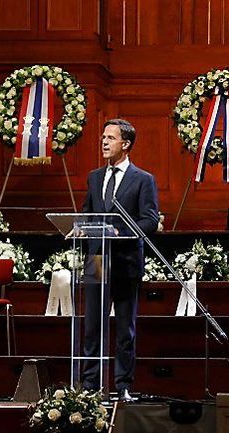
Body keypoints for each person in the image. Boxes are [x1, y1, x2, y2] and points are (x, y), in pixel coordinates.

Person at [80, 118, 160, 400]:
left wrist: (119, 232)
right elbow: (87, 214)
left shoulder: (143, 180)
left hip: (126, 260)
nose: (103, 142)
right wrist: (83, 230)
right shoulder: (94, 177)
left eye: (110, 138)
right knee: (91, 326)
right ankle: (90, 386)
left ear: (125, 144)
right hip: (97, 260)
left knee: (125, 328)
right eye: (103, 137)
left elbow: (150, 220)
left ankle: (123, 385)